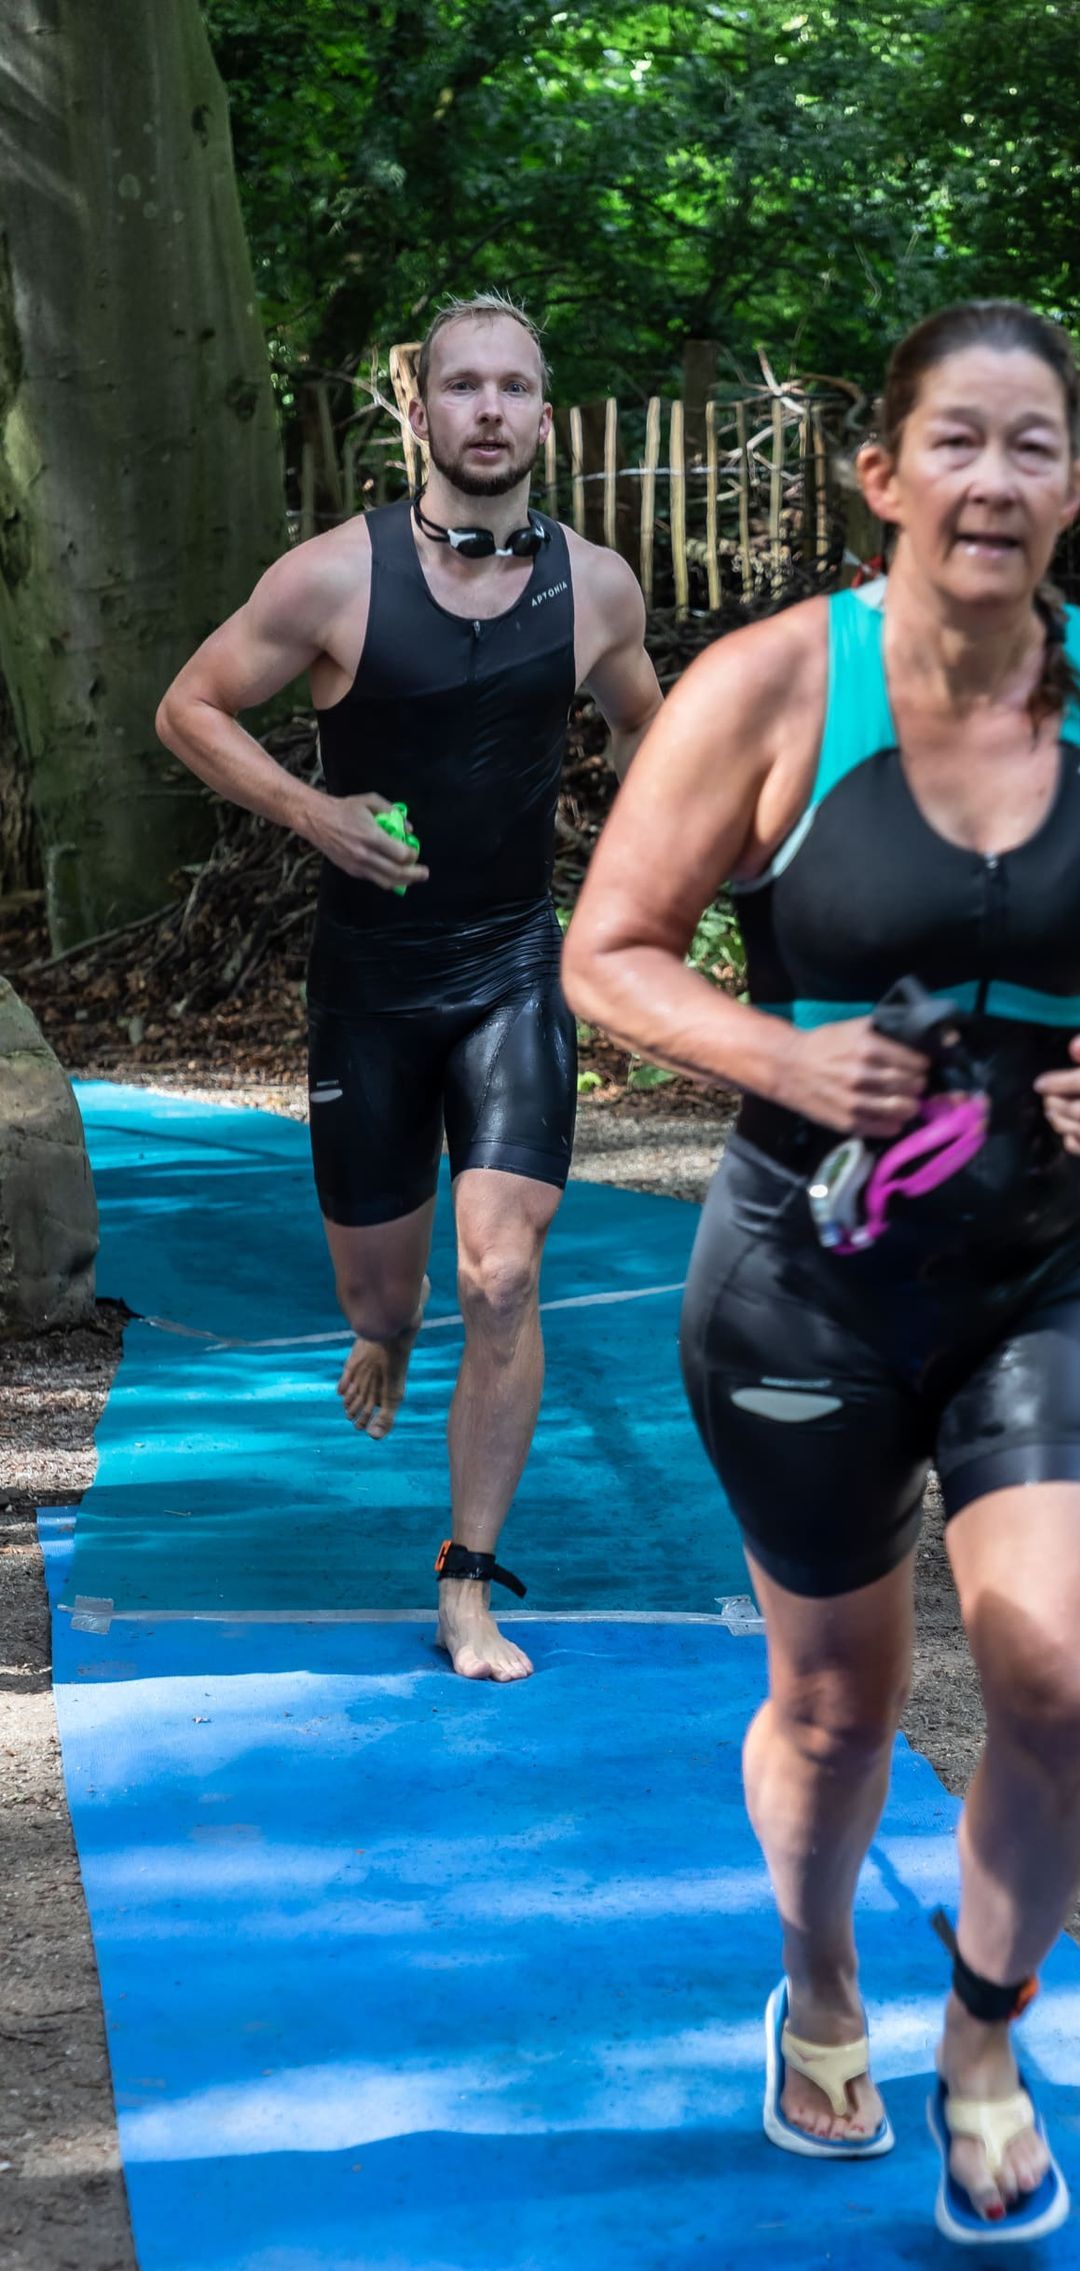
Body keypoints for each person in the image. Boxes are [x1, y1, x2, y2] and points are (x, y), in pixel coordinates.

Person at [562, 300, 1080, 2241]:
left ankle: (982, 2031)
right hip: (806, 1273)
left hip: (1047, 1260)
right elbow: (606, 948)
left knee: (1064, 1676)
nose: (995, 480)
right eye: (958, 440)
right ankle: (827, 1985)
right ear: (884, 474)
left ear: (1075, 490)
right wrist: (787, 1056)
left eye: (1034, 446)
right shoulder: (776, 686)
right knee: (844, 1702)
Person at [156, 294, 661, 1681]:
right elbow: (189, 707)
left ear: (544, 416)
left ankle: (466, 1581)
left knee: (499, 1273)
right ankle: (382, 1333)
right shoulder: (334, 579)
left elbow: (652, 742)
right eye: (464, 387)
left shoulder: (597, 586)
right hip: (369, 981)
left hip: (512, 967)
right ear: (420, 411)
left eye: (514, 388)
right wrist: (314, 813)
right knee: (385, 1294)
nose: (489, 409)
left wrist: (653, 876)